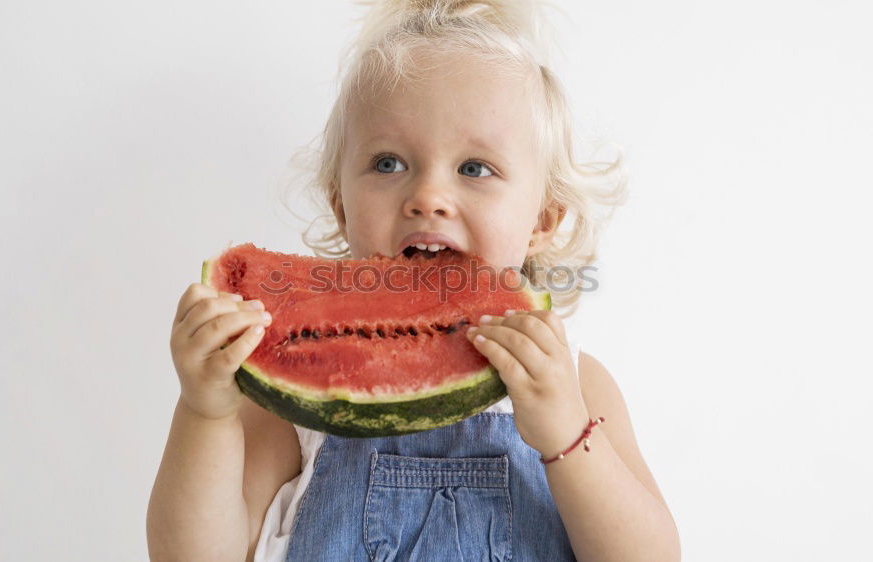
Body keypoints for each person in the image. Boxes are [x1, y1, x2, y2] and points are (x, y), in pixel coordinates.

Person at [148, 1, 681, 560]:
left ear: (542, 220)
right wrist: (204, 412)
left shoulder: (579, 383)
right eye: (387, 164)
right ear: (341, 207)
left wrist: (567, 436)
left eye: (474, 168)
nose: (427, 197)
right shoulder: (292, 399)